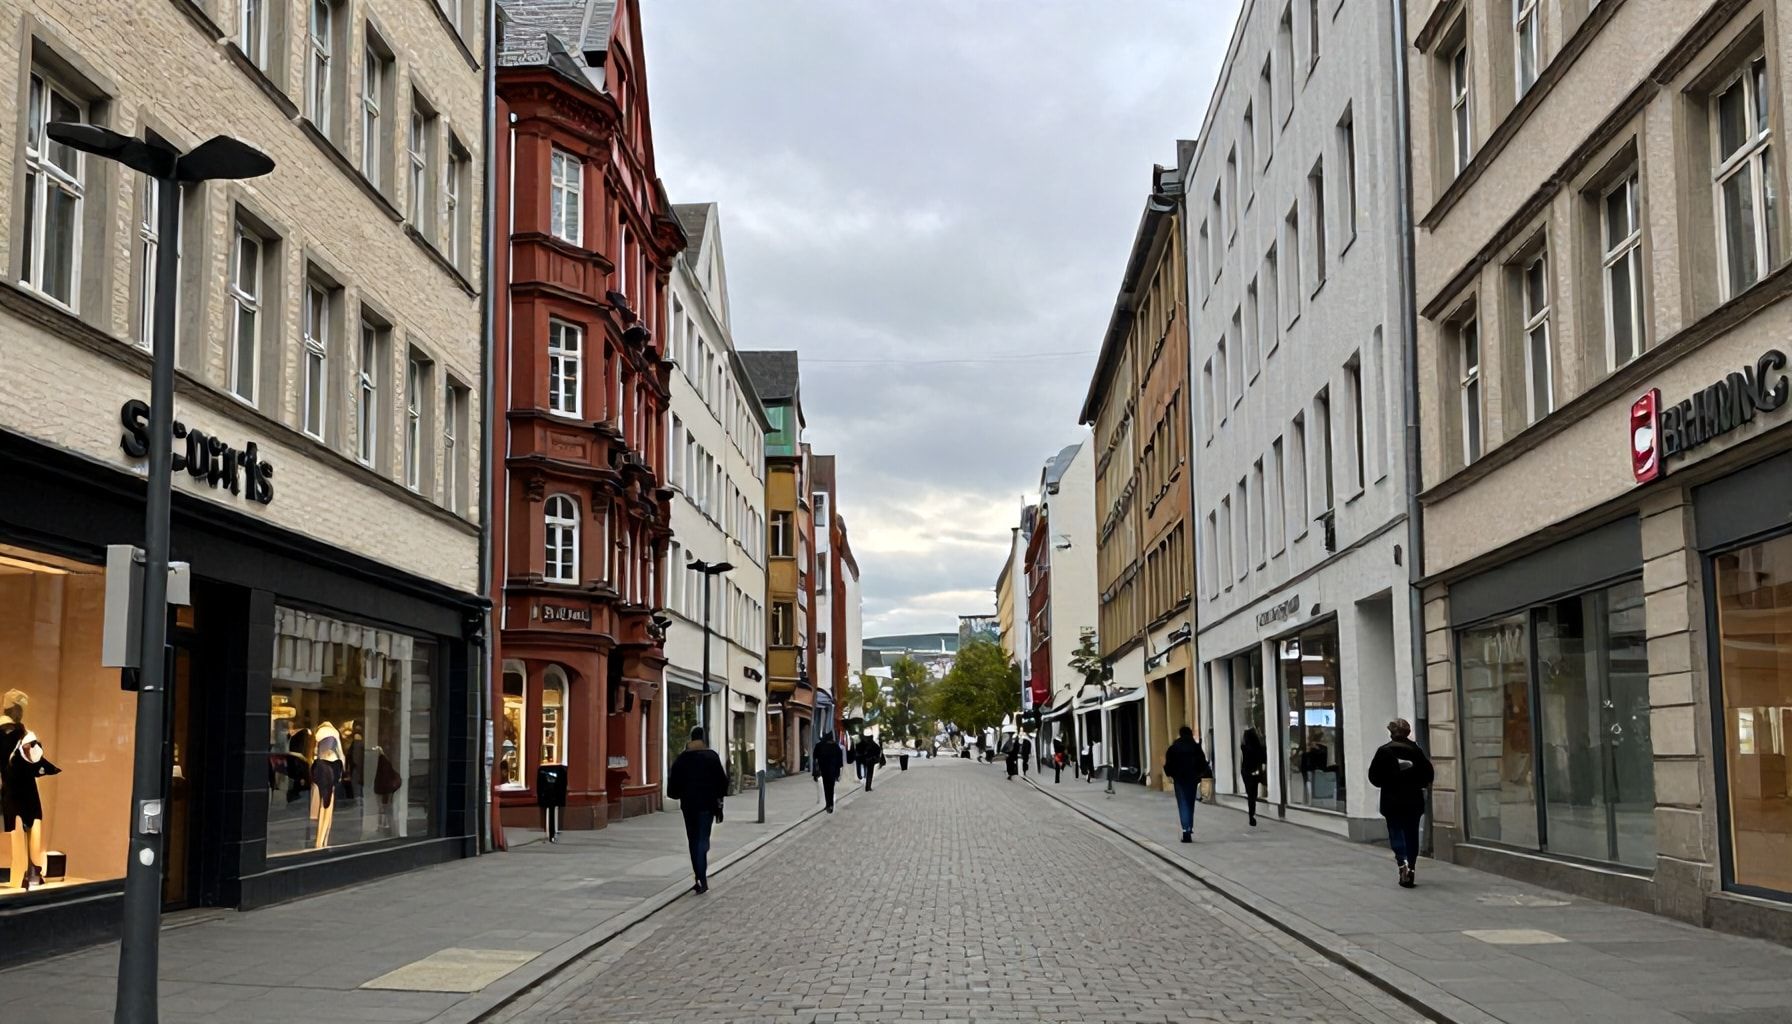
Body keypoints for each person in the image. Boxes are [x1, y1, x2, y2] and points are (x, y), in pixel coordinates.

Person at [1369, 718, 1434, 888]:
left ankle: (1402, 863)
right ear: (1408, 732)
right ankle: (1411, 867)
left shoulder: (1383, 751)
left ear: (1391, 732)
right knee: (1411, 833)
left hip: (1392, 800)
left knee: (1396, 832)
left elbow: (1374, 778)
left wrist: (1389, 780)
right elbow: (1428, 775)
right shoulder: (1416, 751)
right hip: (1413, 800)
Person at [667, 726, 729, 894]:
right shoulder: (711, 757)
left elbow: (672, 790)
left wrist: (682, 793)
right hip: (707, 806)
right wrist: (719, 800)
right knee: (702, 840)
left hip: (689, 806)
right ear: (703, 738)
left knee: (693, 841)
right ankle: (701, 877)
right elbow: (723, 783)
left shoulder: (681, 760)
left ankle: (699, 878)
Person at [1162, 726, 1213, 844]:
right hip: (1192, 779)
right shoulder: (1195, 747)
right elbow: (1202, 763)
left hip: (1179, 779)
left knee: (1182, 803)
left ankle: (1186, 830)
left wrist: (1170, 774)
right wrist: (1199, 774)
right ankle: (1189, 828)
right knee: (1190, 803)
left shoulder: (1174, 747)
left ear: (1180, 734)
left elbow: (1168, 763)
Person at [1240, 728, 1268, 827]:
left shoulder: (1244, 747)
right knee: (1253, 794)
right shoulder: (1260, 748)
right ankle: (1252, 813)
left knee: (1250, 794)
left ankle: (1251, 814)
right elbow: (1264, 759)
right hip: (1255, 772)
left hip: (1246, 772)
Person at [813, 732, 845, 813]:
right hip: (833, 770)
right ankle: (830, 805)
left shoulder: (819, 745)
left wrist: (816, 770)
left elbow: (815, 757)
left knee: (826, 787)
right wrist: (839, 773)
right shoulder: (836, 746)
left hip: (824, 769)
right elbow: (840, 761)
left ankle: (828, 804)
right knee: (831, 787)